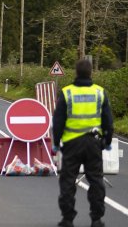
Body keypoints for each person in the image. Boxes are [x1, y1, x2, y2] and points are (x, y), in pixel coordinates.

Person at [52, 59, 114, 227]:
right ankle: (96, 219)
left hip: (71, 144)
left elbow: (58, 122)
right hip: (94, 144)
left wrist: (56, 143)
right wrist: (107, 141)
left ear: (76, 72)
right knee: (95, 180)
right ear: (91, 72)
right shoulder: (100, 93)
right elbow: (108, 121)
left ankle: (67, 219)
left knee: (68, 181)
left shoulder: (67, 93)